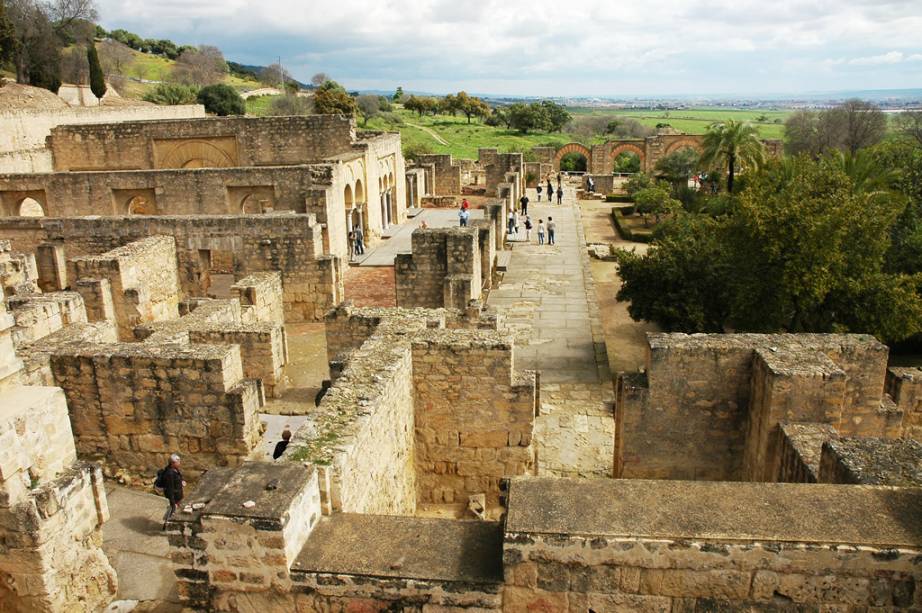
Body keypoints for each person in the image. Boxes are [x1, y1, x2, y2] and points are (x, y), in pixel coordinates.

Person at [161, 453, 184, 530]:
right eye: (178, 462)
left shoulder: (175, 470)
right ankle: (166, 524)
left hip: (178, 494)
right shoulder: (169, 474)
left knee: (174, 510)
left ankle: (172, 524)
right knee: (172, 510)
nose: (179, 463)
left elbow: (177, 479)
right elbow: (169, 488)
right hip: (174, 496)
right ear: (173, 463)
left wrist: (181, 482)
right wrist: (172, 500)